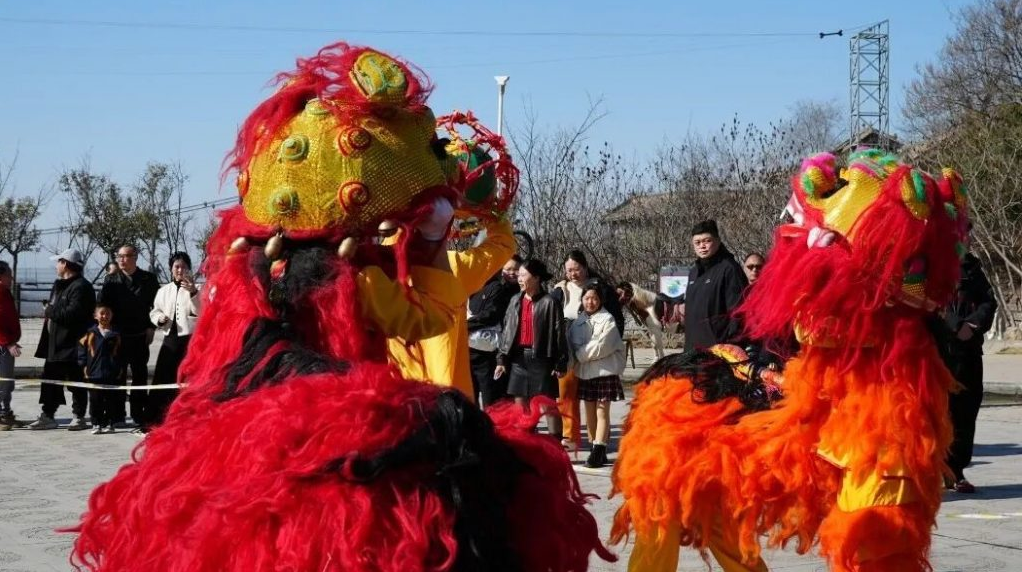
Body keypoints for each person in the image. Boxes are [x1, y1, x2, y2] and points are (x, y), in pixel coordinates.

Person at [71, 42, 613, 572]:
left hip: (255, 434)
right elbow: (422, 313)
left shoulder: (252, 277)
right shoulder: (368, 283)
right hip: (346, 431)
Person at [612, 152, 968, 571]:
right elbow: (792, 326)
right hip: (757, 389)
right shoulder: (710, 280)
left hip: (867, 411)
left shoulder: (732, 276)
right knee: (683, 496)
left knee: (876, 527)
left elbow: (776, 325)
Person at [386, 216, 516, 402]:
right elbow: (503, 243)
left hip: (397, 395)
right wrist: (485, 209)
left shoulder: (379, 270)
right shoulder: (455, 266)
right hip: (448, 398)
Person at [935, 243, 997, 493]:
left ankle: (956, 470)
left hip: (969, 350)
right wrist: (954, 325)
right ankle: (935, 469)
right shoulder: (930, 263)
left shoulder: (972, 267)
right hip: (940, 352)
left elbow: (989, 302)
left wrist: (972, 326)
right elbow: (926, 302)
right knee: (940, 411)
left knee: (966, 411)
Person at [550, 249, 624, 450]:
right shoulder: (560, 289)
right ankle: (570, 436)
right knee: (566, 392)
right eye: (569, 270)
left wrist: (611, 345)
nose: (573, 274)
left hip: (598, 345)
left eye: (577, 269)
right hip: (569, 342)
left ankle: (597, 441)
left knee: (597, 401)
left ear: (585, 267)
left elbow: (617, 321)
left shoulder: (601, 288)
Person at [495, 259, 568, 437]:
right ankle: (527, 444)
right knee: (520, 406)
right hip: (519, 359)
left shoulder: (550, 302)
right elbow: (507, 331)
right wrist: (502, 359)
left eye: (523, 275)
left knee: (547, 405)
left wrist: (560, 362)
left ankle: (555, 444)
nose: (519, 279)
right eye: (518, 275)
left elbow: (559, 333)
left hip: (542, 358)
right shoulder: (514, 300)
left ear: (536, 278)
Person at [28, 248, 96, 431]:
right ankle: (48, 415)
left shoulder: (81, 287)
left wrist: (49, 311)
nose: (56, 266)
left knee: (77, 381)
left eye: (58, 262)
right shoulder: (58, 285)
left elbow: (73, 314)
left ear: (65, 263)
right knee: (50, 381)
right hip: (55, 345)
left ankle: (79, 416)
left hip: (74, 345)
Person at [100, 245, 159, 431]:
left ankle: (138, 414)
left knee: (140, 376)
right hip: (117, 337)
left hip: (140, 336)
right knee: (117, 376)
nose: (122, 260)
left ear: (135, 257)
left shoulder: (148, 280)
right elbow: (102, 306)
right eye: (119, 256)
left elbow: (157, 306)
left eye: (126, 256)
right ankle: (117, 415)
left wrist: (151, 328)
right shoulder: (111, 281)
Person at [569, 283, 625, 468]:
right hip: (586, 373)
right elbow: (573, 344)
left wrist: (580, 356)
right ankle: (595, 446)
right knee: (590, 412)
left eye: (594, 298)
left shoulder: (608, 319)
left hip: (604, 371)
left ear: (600, 300)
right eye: (586, 298)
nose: (590, 302)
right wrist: (579, 355)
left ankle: (599, 448)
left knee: (602, 411)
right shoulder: (577, 322)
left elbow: (602, 346)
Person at [147, 252, 201, 428]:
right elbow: (154, 311)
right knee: (163, 377)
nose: (180, 270)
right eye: (176, 267)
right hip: (169, 339)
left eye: (183, 266)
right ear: (171, 269)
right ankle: (157, 418)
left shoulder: (199, 288)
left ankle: (188, 416)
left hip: (189, 341)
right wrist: (159, 319)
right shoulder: (164, 290)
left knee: (187, 379)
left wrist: (193, 291)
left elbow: (202, 311)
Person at [683, 219, 748, 352]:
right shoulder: (694, 272)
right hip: (693, 349)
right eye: (697, 243)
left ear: (718, 241)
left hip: (719, 349)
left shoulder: (729, 269)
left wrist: (731, 345)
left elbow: (739, 312)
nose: (702, 246)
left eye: (707, 241)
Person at [466, 254, 522, 406]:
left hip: (494, 351)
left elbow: (492, 314)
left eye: (515, 269)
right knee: (470, 396)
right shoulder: (472, 287)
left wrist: (465, 325)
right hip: (470, 349)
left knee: (493, 398)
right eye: (508, 269)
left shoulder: (498, 288)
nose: (512, 273)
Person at [78, 303, 122, 435]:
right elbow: (81, 351)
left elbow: (121, 354)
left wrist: (119, 368)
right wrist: (84, 366)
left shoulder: (116, 334)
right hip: (94, 374)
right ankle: (96, 423)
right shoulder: (90, 333)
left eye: (108, 313)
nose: (105, 316)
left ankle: (110, 423)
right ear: (95, 316)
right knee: (95, 400)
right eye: (102, 313)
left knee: (111, 400)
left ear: (112, 315)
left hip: (111, 374)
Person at [0, 261, 23, 430]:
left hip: (9, 343)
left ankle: (5, 412)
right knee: (3, 382)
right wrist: (7, 343)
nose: (12, 278)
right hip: (2, 345)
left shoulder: (6, 293)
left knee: (8, 382)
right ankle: (2, 415)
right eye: (8, 274)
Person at [617, 281, 666, 360]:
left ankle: (660, 356)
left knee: (654, 332)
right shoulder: (642, 306)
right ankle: (658, 355)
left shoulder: (646, 303)